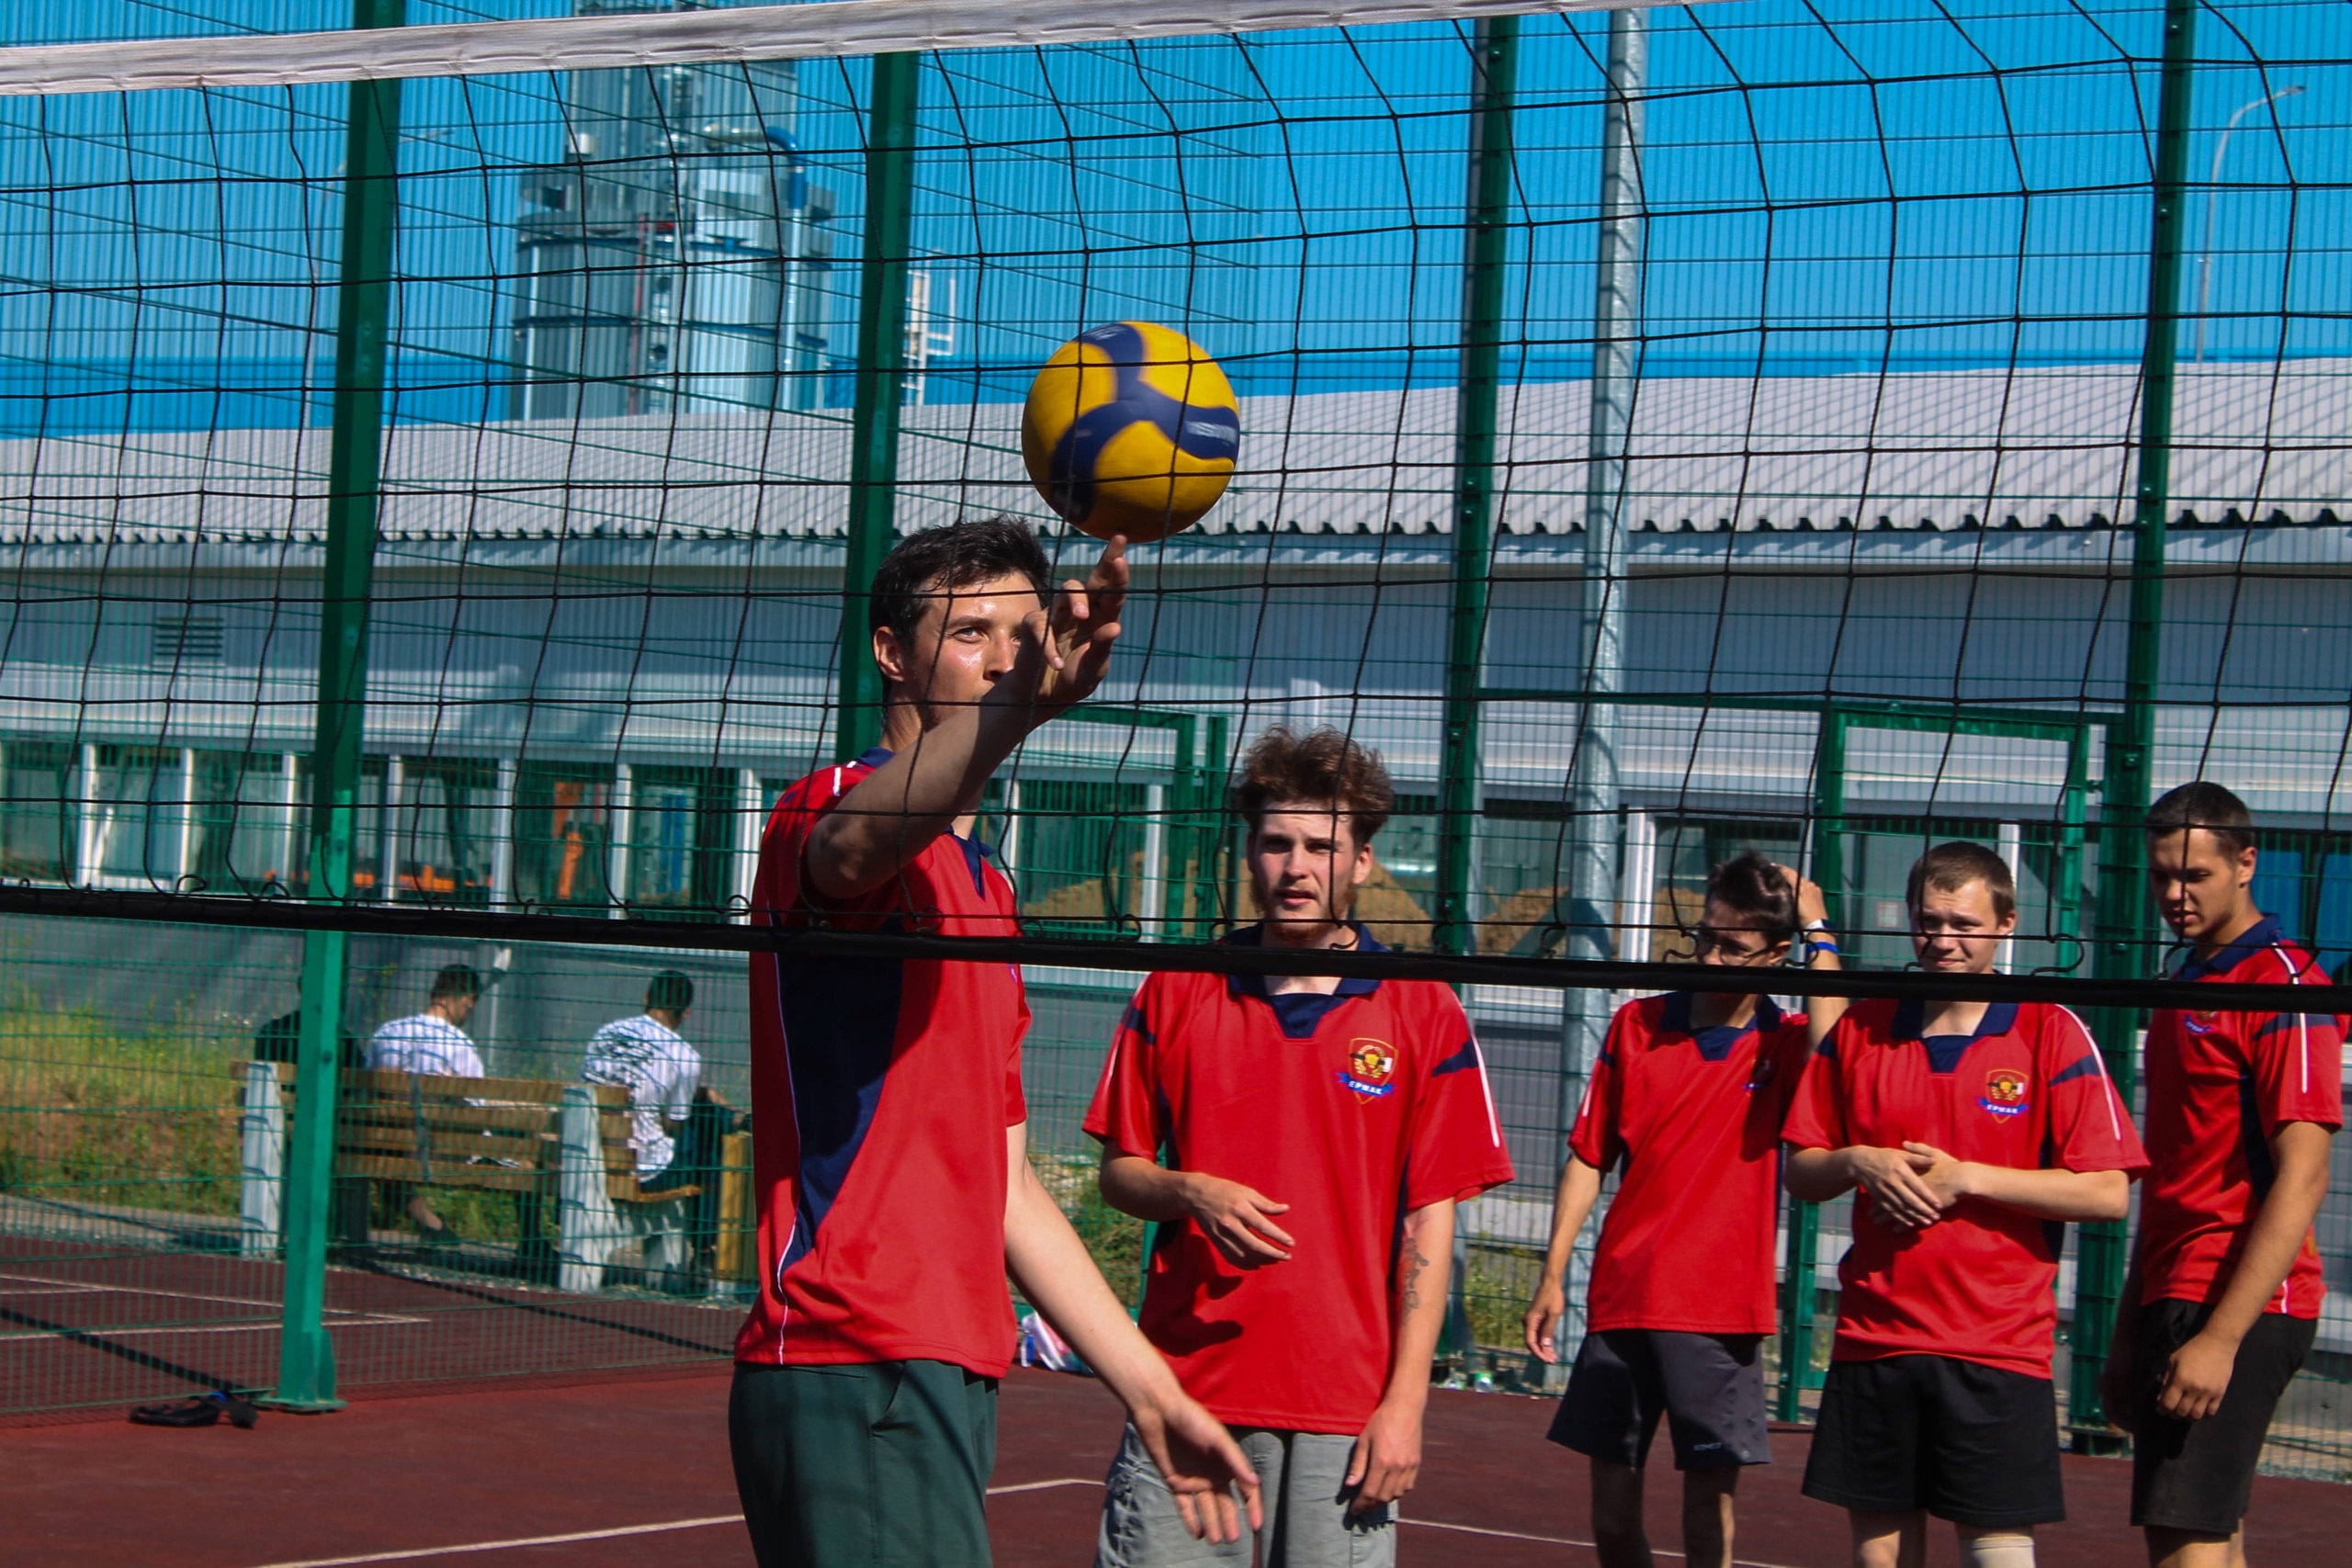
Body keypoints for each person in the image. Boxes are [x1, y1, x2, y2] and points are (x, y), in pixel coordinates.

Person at [732, 517, 1258, 1567]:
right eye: (971, 632)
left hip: (950, 1360)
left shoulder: (990, 892)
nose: (1006, 657)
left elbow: (1005, 1186)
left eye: (1024, 635)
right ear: (892, 651)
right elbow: (852, 851)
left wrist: (1152, 1389)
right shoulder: (822, 808)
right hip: (853, 1348)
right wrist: (1022, 705)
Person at [1084, 726, 1516, 1566]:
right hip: (1188, 1391)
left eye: (1322, 846)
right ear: (1249, 851)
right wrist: (1191, 1190)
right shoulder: (1179, 987)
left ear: (1362, 861)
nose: (1297, 867)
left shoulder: (1422, 1008)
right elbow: (1120, 1173)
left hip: (1343, 1409)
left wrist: (1406, 1405)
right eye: (1278, 843)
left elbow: (1430, 1220)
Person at [1781, 841, 2146, 1568]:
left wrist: (1970, 1178)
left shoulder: (2049, 1028)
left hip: (1996, 1344)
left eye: (1963, 923)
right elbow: (1801, 1169)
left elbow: (2107, 1192)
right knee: (1879, 1554)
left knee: (1995, 1552)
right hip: (1876, 1336)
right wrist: (1858, 1159)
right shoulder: (1862, 1026)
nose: (1942, 939)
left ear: (2006, 923)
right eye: (1928, 921)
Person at [1521, 852, 1840, 1568]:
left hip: (1720, 1312)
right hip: (1624, 1298)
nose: (1710, 956)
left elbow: (1834, 1042)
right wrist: (1552, 1272)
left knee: (1707, 1518)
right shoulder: (1636, 1024)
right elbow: (1588, 1156)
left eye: (1733, 945)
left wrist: (1818, 925)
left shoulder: (1786, 1040)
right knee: (1610, 1519)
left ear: (1776, 955)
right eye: (1704, 936)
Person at [2098, 782, 2343, 1568]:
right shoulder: (2183, 982)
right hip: (2176, 1289)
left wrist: (2221, 1338)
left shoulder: (2285, 986)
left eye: (2194, 875)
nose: (2175, 893)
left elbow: (2303, 1178)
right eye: (2162, 875)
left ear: (2245, 863)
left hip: (2240, 1299)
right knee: (2208, 1542)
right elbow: (2173, 1179)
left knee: (2186, 1545)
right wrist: (2128, 1329)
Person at [365, 964, 486, 1245]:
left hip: (383, 1145)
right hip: (439, 1151)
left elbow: (365, 1094)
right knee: (522, 1156)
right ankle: (531, 1241)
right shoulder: (460, 1045)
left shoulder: (386, 1032)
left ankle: (435, 1228)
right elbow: (478, 1115)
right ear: (467, 1000)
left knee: (381, 1165)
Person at [582, 970, 703, 1190]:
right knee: (706, 1146)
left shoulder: (605, 1034)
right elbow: (674, 1126)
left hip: (588, 1154)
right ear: (686, 1012)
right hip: (644, 1169)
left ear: (646, 998)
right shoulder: (685, 1056)